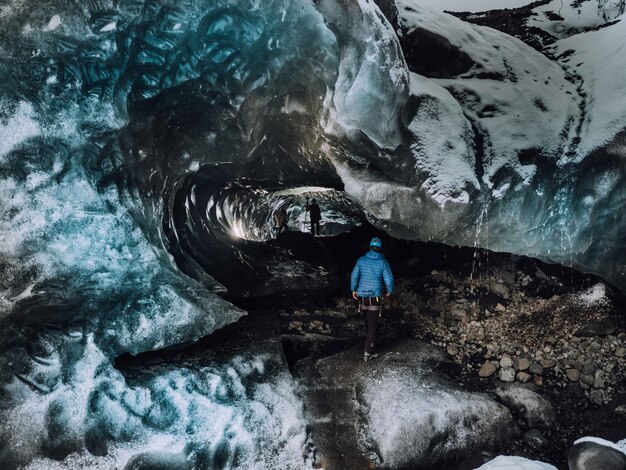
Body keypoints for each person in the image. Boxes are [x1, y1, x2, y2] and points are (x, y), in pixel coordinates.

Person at [350, 237, 394, 362]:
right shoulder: (383, 262)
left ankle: (367, 345)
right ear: (380, 248)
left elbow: (354, 276)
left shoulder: (361, 260)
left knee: (368, 322)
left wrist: (354, 290)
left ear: (370, 247)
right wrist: (389, 291)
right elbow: (389, 280)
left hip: (362, 297)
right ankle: (368, 352)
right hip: (375, 297)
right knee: (372, 325)